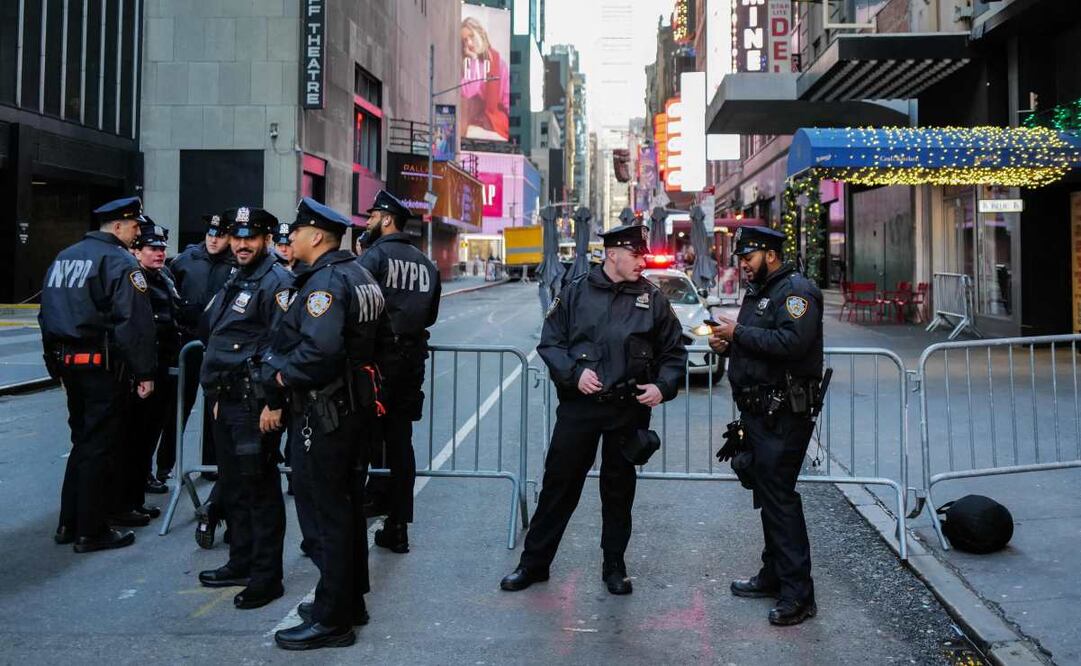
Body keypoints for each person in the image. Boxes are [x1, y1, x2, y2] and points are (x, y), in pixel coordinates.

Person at [500, 224, 686, 595]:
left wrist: (662, 387)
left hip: (627, 410)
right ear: (613, 254)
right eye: (636, 254)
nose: (643, 261)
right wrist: (574, 374)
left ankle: (614, 567)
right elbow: (550, 343)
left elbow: (674, 352)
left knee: (618, 492)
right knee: (558, 486)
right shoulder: (575, 291)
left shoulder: (652, 299)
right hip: (580, 409)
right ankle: (534, 564)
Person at [264, 198, 384, 650]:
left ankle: (333, 619)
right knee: (347, 511)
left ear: (316, 236)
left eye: (296, 231)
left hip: (325, 412)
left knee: (325, 516)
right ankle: (348, 601)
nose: (290, 238)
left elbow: (319, 353)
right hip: (353, 409)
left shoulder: (326, 283)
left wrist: (278, 374)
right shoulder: (359, 274)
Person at [707, 226, 824, 627]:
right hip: (759, 413)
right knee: (768, 496)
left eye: (747, 257)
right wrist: (728, 343)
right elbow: (761, 341)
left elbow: (792, 343)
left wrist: (738, 333)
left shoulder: (796, 292)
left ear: (769, 254)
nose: (742, 264)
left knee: (780, 499)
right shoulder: (761, 291)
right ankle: (774, 575)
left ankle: (798, 594)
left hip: (784, 414)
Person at [39, 196, 157, 553]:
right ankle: (92, 530)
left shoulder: (65, 256)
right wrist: (144, 371)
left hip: (70, 364)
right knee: (102, 446)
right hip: (103, 367)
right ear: (118, 226)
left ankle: (69, 522)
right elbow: (132, 322)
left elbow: (46, 315)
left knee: (83, 440)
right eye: (135, 226)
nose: (139, 232)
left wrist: (52, 366)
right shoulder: (119, 262)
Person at [196, 206, 293, 610]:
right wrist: (217, 397)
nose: (240, 244)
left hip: (256, 404)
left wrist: (273, 403)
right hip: (228, 398)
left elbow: (282, 347)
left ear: (267, 240)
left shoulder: (276, 282)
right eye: (237, 237)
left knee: (260, 491)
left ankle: (267, 577)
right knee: (235, 488)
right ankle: (241, 561)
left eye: (250, 237)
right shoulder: (238, 276)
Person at [357, 190, 441, 553]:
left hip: (377, 363)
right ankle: (398, 526)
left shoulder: (374, 256)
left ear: (386, 219)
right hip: (411, 362)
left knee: (366, 439)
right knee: (401, 442)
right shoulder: (426, 264)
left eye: (372, 216)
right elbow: (432, 315)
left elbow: (359, 309)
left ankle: (369, 504)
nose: (367, 222)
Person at [168, 213, 237, 547]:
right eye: (210, 234)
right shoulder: (185, 260)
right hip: (187, 344)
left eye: (220, 235)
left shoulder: (233, 266)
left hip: (215, 348)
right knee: (177, 407)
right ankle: (165, 464)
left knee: (215, 410)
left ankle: (211, 463)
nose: (213, 240)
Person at [123, 220, 181, 511]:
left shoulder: (163, 276)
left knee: (151, 431)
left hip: (164, 366)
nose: (159, 252)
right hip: (145, 370)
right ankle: (130, 496)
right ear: (136, 251)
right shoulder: (137, 279)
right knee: (137, 435)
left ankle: (141, 482)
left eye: (161, 247)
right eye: (151, 248)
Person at [460, 16, 510, 141]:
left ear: (480, 34)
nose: (469, 43)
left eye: (471, 36)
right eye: (465, 40)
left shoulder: (499, 63)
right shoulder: (469, 62)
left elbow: (507, 100)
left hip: (496, 121)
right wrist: (474, 59)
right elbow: (467, 91)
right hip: (477, 120)